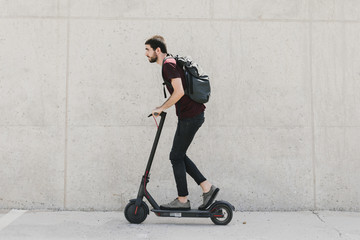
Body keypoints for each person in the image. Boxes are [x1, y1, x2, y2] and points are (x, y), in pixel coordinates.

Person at [144, 35, 219, 210]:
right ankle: (206, 188)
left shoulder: (168, 65)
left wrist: (161, 108)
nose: (145, 54)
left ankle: (184, 200)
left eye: (148, 50)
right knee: (179, 155)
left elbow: (179, 92)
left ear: (158, 50)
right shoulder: (171, 63)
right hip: (190, 115)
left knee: (176, 156)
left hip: (190, 116)